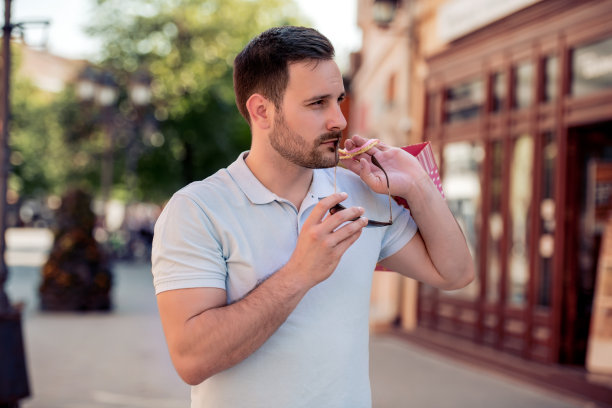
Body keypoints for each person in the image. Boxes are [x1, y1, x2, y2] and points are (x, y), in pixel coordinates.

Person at [151, 26, 474, 408]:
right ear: (262, 111)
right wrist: (300, 273)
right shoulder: (197, 210)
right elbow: (192, 360)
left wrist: (417, 185)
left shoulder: (362, 193)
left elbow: (455, 273)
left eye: (339, 99)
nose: (339, 119)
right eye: (317, 103)